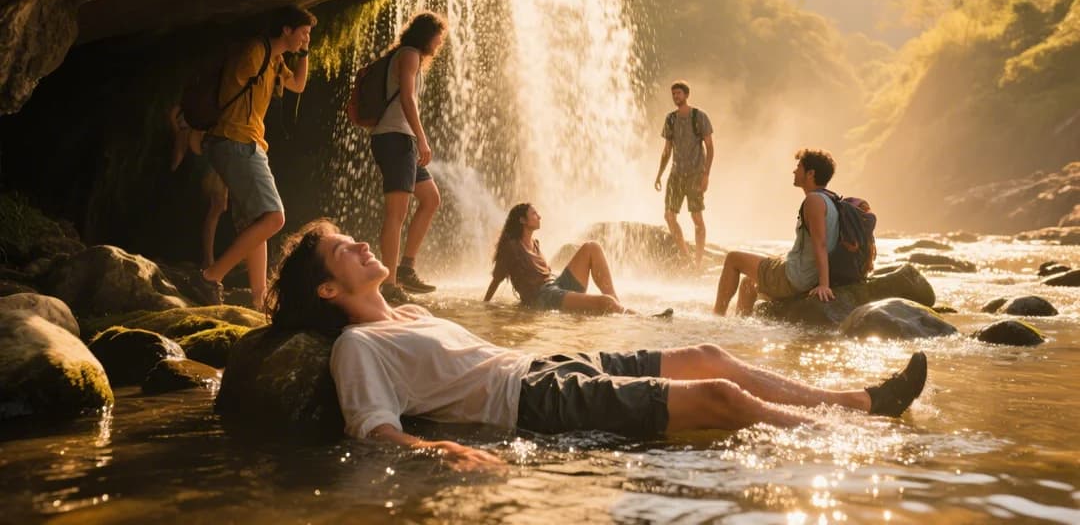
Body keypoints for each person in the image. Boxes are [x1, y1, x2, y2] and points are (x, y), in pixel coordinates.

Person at [265, 219, 928, 472]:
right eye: (339, 249)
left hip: (542, 366)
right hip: (531, 399)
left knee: (711, 357)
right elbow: (373, 430)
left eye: (351, 236)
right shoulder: (357, 347)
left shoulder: (408, 309)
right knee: (722, 397)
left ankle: (857, 401)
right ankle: (858, 441)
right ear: (326, 290)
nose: (357, 243)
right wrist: (444, 450)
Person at [193, 5, 315, 308]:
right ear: (286, 29)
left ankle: (260, 299)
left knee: (257, 223)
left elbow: (297, 85)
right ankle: (210, 276)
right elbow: (226, 89)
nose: (306, 38)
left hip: (248, 143)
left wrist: (304, 53)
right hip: (236, 141)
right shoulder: (253, 52)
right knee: (274, 218)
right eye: (304, 32)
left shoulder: (275, 60)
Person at [370, 12, 447, 304]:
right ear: (426, 35)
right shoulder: (410, 54)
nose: (440, 42)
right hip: (395, 139)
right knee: (396, 214)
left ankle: (405, 268)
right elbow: (407, 98)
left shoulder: (409, 55)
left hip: (402, 140)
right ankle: (388, 283)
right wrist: (422, 138)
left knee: (431, 199)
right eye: (438, 35)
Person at [713, 148, 840, 317]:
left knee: (733, 258)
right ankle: (741, 324)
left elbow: (821, 243)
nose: (794, 171)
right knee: (748, 283)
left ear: (810, 173)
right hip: (804, 275)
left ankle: (716, 316)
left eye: (799, 167)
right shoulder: (830, 199)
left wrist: (824, 284)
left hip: (795, 277)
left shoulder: (814, 200)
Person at [484, 203, 632, 314]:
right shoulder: (512, 248)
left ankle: (618, 306)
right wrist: (485, 305)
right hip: (543, 297)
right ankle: (630, 316)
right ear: (522, 220)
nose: (539, 216)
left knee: (592, 247)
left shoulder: (535, 243)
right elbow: (497, 278)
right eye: (534, 214)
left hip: (556, 285)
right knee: (605, 303)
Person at [654, 81, 714, 269]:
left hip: (695, 173)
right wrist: (659, 174)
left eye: (678, 93)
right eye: (673, 94)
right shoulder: (670, 119)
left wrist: (706, 175)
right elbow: (667, 150)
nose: (675, 97)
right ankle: (686, 258)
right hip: (676, 174)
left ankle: (698, 260)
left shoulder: (699, 116)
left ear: (686, 95)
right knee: (669, 215)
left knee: (697, 218)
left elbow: (710, 147)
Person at [167, 104, 229, 269]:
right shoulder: (193, 133)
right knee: (215, 210)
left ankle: (208, 259)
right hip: (213, 175)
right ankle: (208, 260)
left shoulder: (186, 133)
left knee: (215, 211)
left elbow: (174, 166)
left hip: (211, 175)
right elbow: (175, 166)